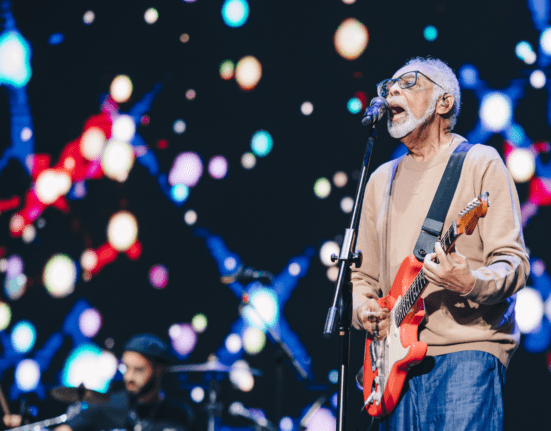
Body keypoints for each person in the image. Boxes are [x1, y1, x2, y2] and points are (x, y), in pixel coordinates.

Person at [351, 57, 529, 430]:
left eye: (409, 83)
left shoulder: (480, 163)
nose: (393, 91)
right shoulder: (380, 180)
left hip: (466, 353)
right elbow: (361, 278)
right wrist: (362, 310)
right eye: (389, 86)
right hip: (391, 366)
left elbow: (513, 262)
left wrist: (471, 283)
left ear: (444, 102)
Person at [55, 333, 195, 431]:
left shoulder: (179, 415)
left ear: (159, 370)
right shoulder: (107, 405)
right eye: (126, 368)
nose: (129, 377)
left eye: (138, 370)